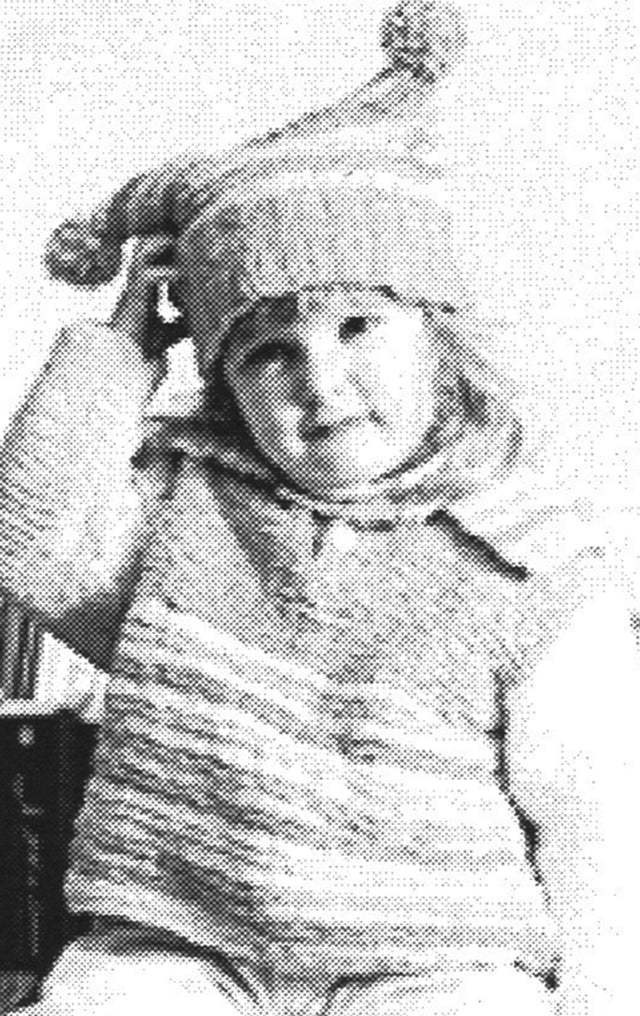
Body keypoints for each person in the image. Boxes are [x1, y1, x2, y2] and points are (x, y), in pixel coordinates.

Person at [1, 4, 638, 1013]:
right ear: (223, 381)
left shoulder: (525, 556)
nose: (320, 379)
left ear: (437, 337)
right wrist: (119, 347)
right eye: (267, 350)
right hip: (177, 943)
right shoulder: (187, 511)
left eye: (358, 326)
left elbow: (600, 811)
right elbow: (29, 541)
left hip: (428, 959)